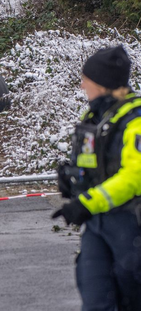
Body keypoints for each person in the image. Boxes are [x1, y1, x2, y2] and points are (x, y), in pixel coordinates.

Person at [53, 46, 141, 311]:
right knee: (94, 298)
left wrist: (89, 202)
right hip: (96, 226)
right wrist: (72, 179)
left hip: (129, 224)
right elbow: (93, 164)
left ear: (102, 84)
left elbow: (134, 176)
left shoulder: (134, 121)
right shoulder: (94, 117)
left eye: (86, 80)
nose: (82, 86)